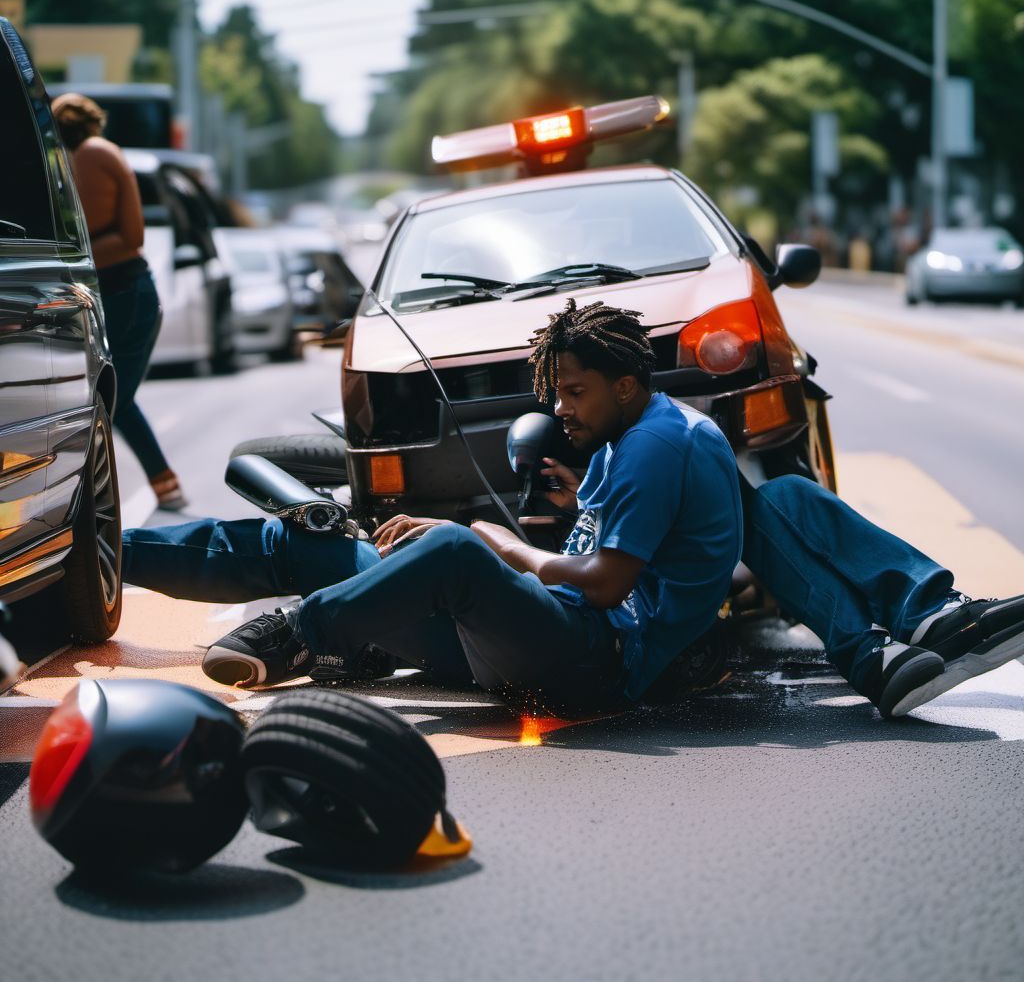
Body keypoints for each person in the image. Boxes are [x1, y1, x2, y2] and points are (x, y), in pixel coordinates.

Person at [120, 299, 1024, 719]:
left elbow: (601, 586)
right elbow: (622, 547)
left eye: (578, 392)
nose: (562, 410)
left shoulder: (656, 445)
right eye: (556, 391)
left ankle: (300, 633)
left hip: (596, 660)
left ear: (630, 383)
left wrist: (484, 537)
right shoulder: (633, 441)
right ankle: (107, 555)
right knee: (306, 537)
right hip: (547, 629)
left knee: (452, 554)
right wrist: (558, 511)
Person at [52, 93, 187, 511]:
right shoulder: (103, 150)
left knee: (106, 400)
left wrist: (64, 261)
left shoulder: (90, 156)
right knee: (111, 398)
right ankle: (162, 483)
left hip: (122, 291)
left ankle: (87, 500)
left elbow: (96, 238)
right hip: (129, 291)